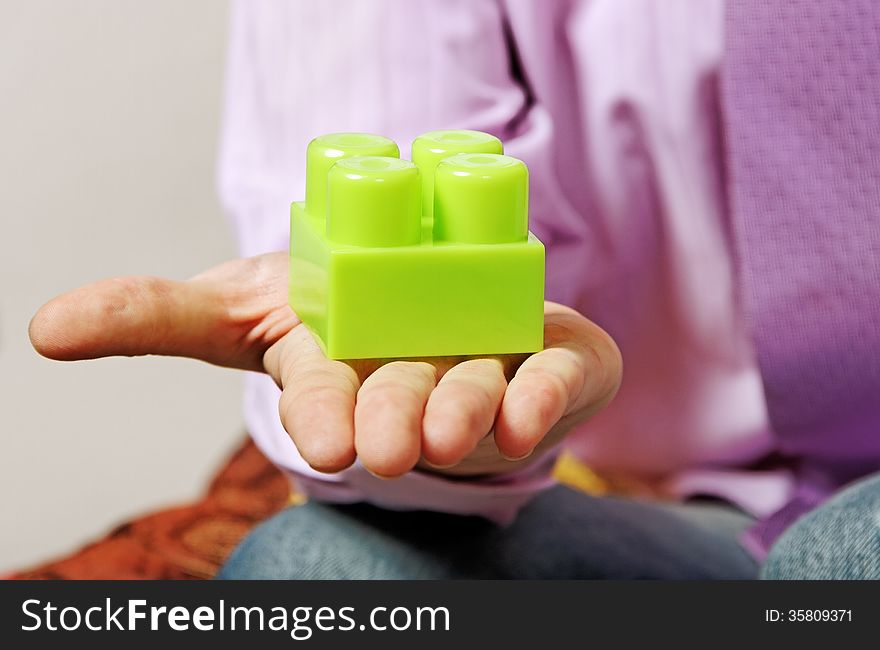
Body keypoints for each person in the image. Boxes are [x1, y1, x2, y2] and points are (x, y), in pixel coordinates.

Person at [29, 0, 880, 579]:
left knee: (844, 557)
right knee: (315, 572)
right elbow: (398, 176)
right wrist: (442, 380)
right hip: (697, 507)